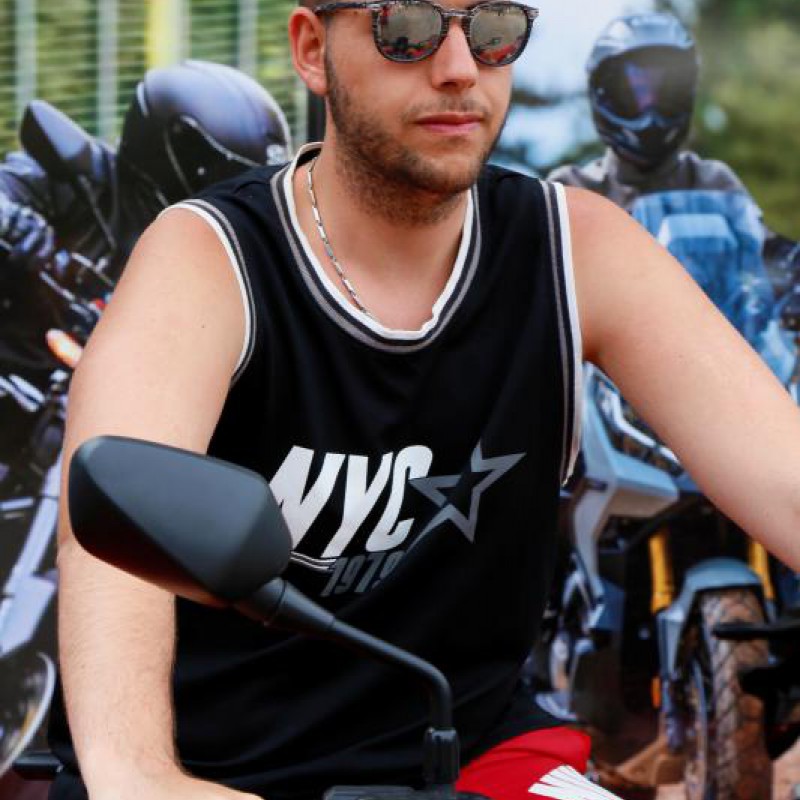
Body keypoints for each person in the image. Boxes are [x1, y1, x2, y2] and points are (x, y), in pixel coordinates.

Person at [50, 3, 800, 800]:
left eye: (492, 30)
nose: (458, 67)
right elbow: (107, 547)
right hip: (215, 780)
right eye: (405, 28)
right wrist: (139, 774)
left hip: (468, 755)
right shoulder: (209, 257)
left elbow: (783, 475)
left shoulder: (576, 247)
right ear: (313, 49)